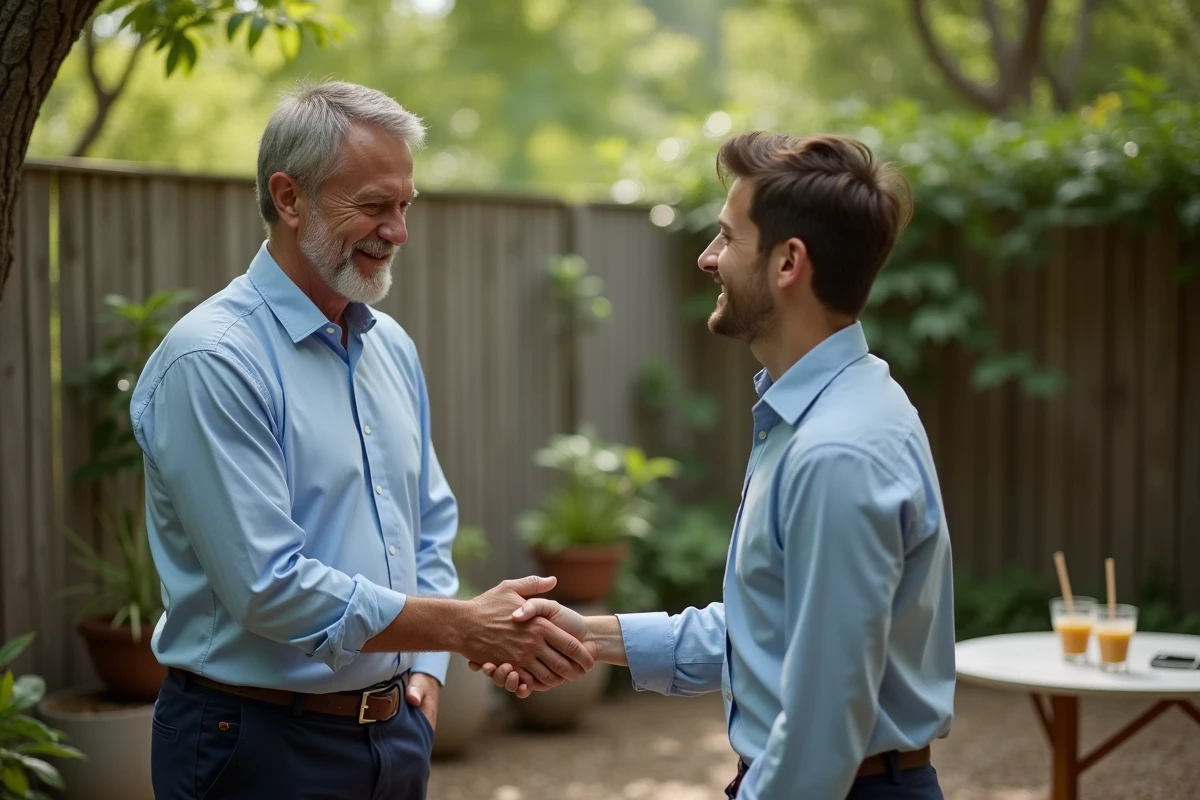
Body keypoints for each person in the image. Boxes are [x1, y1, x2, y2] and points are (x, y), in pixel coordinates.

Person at [130, 80, 592, 800]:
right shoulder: (214, 360)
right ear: (289, 198)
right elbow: (268, 587)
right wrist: (462, 629)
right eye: (374, 206)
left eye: (404, 206)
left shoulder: (390, 347)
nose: (398, 230)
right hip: (255, 749)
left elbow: (428, 523)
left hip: (394, 735)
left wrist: (430, 669)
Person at [475, 132, 957, 799]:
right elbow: (772, 635)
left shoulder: (836, 453)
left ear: (789, 263)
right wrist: (585, 635)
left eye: (728, 238)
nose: (708, 257)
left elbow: (822, 727)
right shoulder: (829, 414)